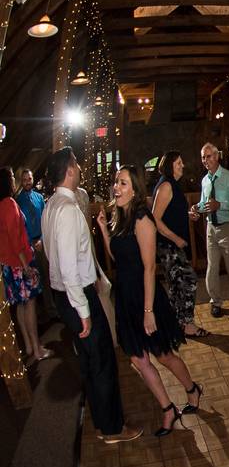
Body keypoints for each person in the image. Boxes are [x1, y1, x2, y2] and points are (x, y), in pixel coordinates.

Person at [42, 147, 140, 444]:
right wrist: (84, 309)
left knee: (88, 362)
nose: (80, 168)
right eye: (76, 164)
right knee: (103, 362)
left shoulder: (51, 205)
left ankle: (101, 421)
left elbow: (52, 255)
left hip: (64, 295)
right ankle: (112, 428)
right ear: (69, 171)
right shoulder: (68, 209)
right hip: (77, 295)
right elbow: (70, 265)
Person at [96, 166, 203, 437]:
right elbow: (117, 255)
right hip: (125, 297)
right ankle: (168, 409)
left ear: (134, 188)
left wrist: (148, 311)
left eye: (122, 183)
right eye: (115, 183)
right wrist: (103, 230)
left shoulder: (143, 219)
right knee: (137, 358)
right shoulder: (118, 217)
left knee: (164, 356)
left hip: (147, 298)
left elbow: (148, 268)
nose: (116, 187)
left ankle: (192, 388)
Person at [152, 151, 208, 338]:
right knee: (189, 281)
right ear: (170, 166)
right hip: (169, 246)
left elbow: (171, 213)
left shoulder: (173, 185)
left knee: (177, 285)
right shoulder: (166, 186)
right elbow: (155, 219)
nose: (182, 166)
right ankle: (187, 325)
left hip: (174, 245)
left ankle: (178, 324)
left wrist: (187, 215)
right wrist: (175, 238)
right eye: (178, 163)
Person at [193, 143, 229, 318]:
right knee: (211, 267)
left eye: (208, 156)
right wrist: (196, 209)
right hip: (211, 227)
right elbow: (204, 203)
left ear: (217, 157)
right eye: (203, 157)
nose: (205, 160)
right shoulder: (205, 180)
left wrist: (220, 205)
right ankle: (215, 302)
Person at [0, 167, 48, 364]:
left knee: (20, 306)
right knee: (30, 305)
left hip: (7, 264)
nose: (14, 180)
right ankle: (37, 350)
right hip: (20, 262)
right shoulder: (9, 204)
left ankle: (29, 345)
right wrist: (25, 265)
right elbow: (15, 237)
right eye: (12, 177)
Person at [16, 168, 56, 317]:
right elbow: (20, 227)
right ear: (21, 181)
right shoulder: (18, 201)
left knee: (46, 275)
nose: (27, 182)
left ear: (33, 180)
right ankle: (38, 313)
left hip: (42, 240)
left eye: (29, 179)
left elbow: (46, 221)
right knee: (33, 279)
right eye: (24, 179)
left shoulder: (39, 198)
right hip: (28, 244)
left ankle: (51, 309)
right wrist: (30, 243)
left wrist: (43, 239)